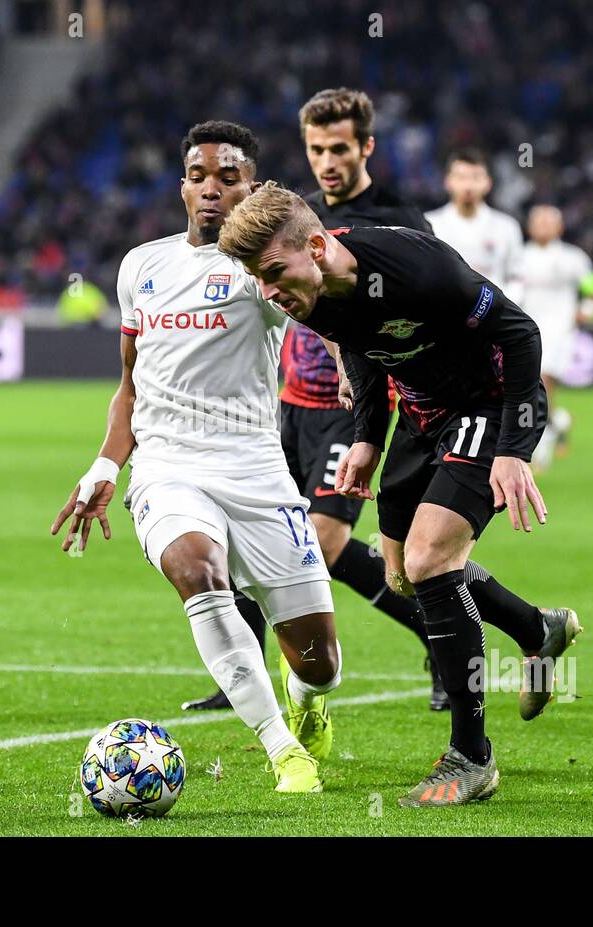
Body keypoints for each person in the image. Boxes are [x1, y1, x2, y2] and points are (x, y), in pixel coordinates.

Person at [218, 183, 582, 805]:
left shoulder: (418, 270)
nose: (268, 290)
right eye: (257, 277)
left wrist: (516, 450)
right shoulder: (312, 295)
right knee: (401, 578)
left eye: (273, 271)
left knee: (430, 561)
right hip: (420, 412)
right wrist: (366, 437)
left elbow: (520, 333)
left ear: (316, 245)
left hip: (486, 404)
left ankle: (472, 756)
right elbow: (363, 349)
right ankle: (536, 628)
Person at [51, 122, 342, 794]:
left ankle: (307, 700)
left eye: (228, 177)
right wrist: (104, 466)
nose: (211, 189)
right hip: (168, 468)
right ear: (182, 185)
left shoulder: (258, 267)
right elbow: (130, 384)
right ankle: (283, 751)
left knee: (321, 661)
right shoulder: (141, 267)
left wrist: (343, 364)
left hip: (258, 471)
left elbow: (321, 317)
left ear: (252, 187)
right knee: (195, 568)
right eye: (198, 175)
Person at [181, 87, 448, 713]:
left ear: (366, 148)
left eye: (339, 149)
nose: (326, 162)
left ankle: (437, 638)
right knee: (253, 528)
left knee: (325, 544)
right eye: (315, 149)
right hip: (291, 402)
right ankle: (242, 674)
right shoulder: (297, 218)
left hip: (352, 408)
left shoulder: (399, 220)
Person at [520, 204, 593, 470]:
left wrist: (587, 310)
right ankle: (556, 420)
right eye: (539, 220)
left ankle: (542, 442)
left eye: (549, 221)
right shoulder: (519, 257)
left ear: (560, 227)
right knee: (527, 388)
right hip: (525, 331)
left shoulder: (573, 258)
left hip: (560, 332)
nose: (544, 226)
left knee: (543, 383)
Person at [424, 149, 525, 305]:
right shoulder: (429, 225)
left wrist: (500, 308)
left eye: (476, 177)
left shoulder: (507, 227)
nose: (468, 185)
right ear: (448, 181)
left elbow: (517, 278)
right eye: (461, 177)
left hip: (494, 319)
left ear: (488, 183)